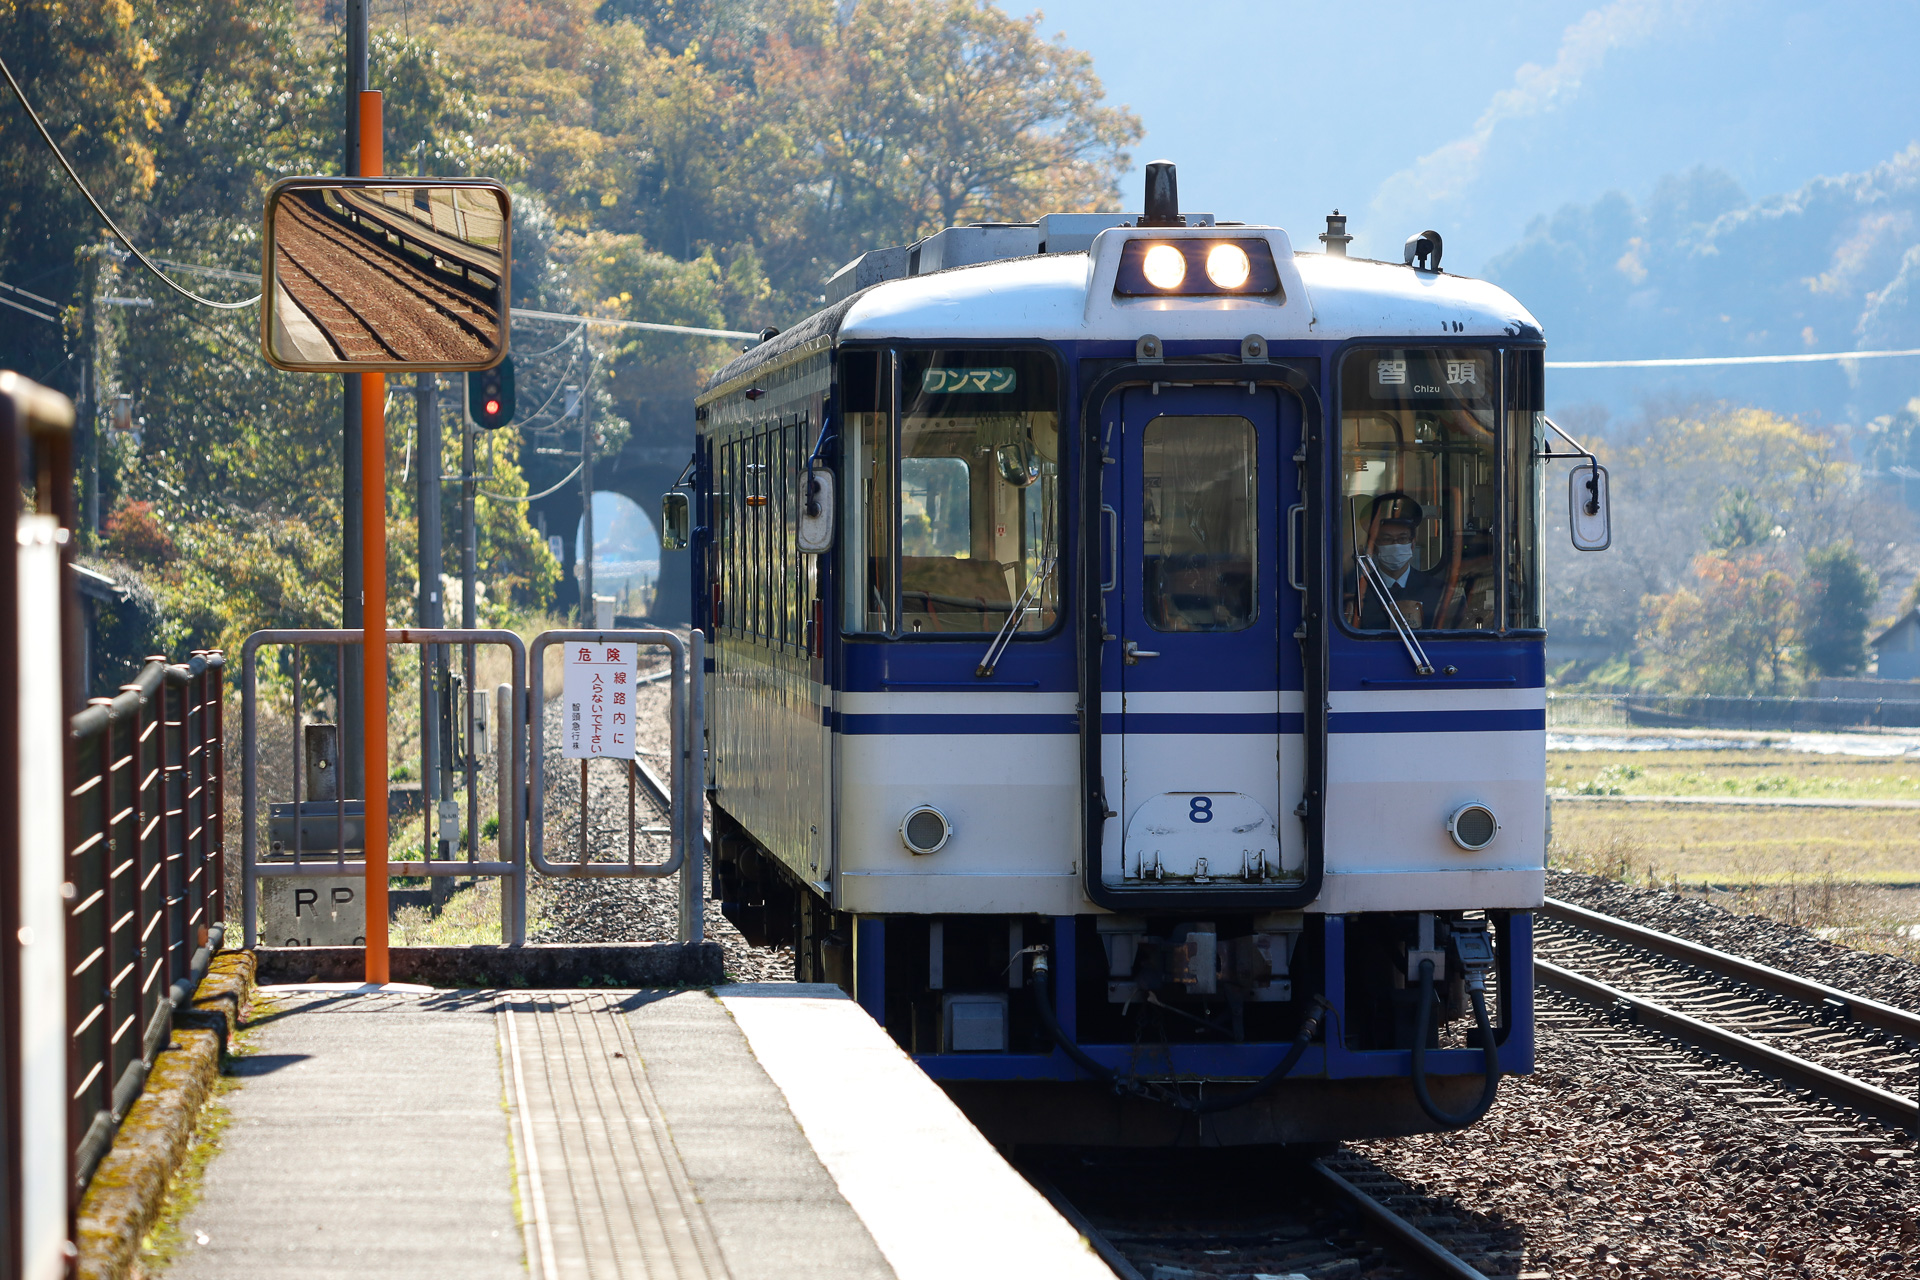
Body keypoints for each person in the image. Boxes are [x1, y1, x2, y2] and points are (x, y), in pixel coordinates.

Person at [1352, 492, 1445, 630]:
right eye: (1387, 539)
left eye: (1402, 538)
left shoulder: (1438, 591)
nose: (1395, 545)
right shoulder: (1360, 591)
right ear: (1376, 546)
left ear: (1412, 545)